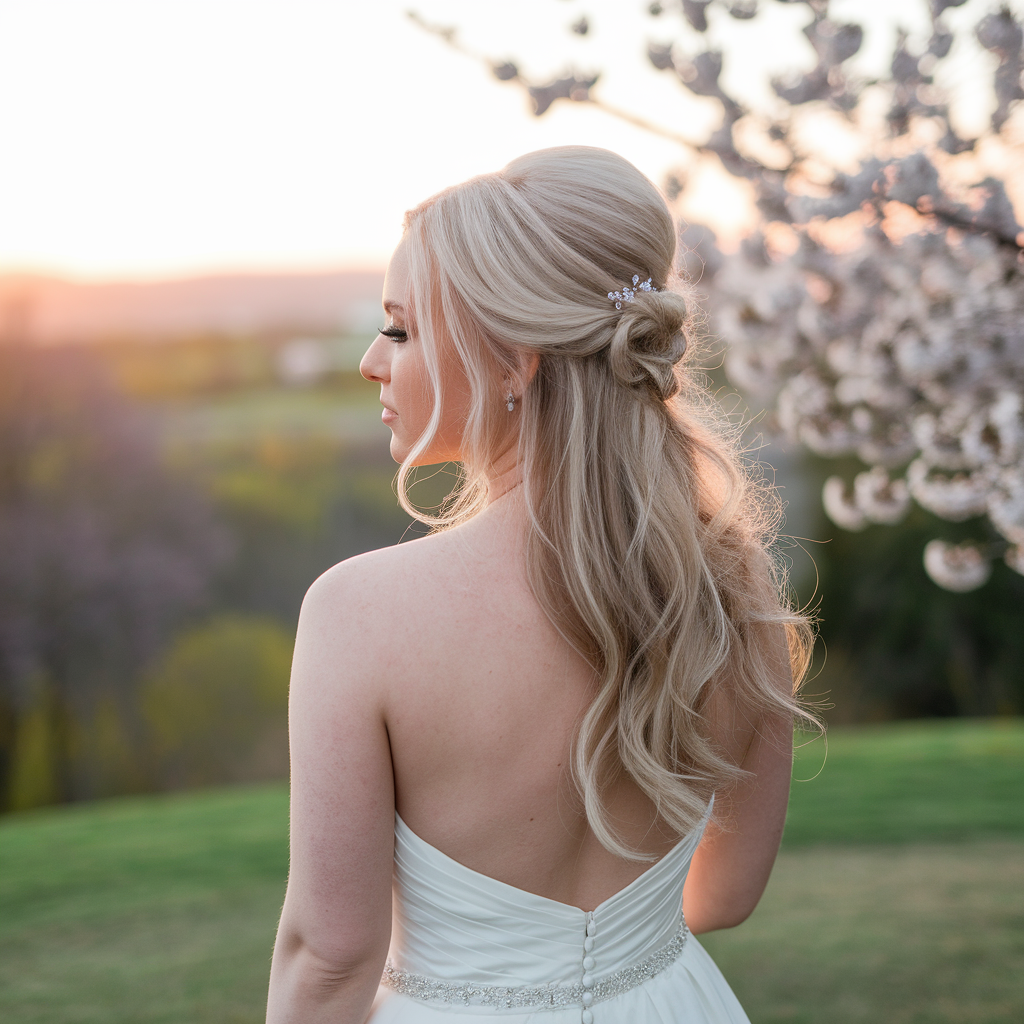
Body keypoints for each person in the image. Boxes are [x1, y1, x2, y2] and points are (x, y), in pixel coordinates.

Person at [265, 146, 813, 1024]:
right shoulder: (733, 589)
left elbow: (330, 954)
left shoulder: (358, 615)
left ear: (513, 358)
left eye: (402, 329)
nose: (373, 360)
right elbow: (726, 895)